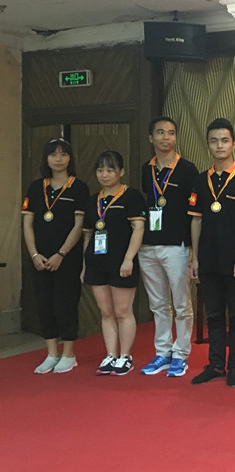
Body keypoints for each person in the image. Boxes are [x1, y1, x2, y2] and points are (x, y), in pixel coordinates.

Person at [189, 118, 235, 387]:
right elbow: (196, 220)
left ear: (234, 144)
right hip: (208, 259)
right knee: (214, 314)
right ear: (208, 145)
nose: (220, 145)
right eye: (214, 141)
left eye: (224, 140)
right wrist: (195, 257)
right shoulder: (200, 180)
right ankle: (216, 364)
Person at [22, 138, 89, 374]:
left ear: (70, 158)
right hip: (39, 258)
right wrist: (34, 254)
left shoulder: (78, 188)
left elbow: (79, 225)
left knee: (66, 304)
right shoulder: (35, 188)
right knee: (44, 305)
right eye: (53, 154)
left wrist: (61, 253)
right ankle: (51, 353)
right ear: (46, 158)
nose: (58, 159)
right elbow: (27, 223)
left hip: (66, 258)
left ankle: (68, 354)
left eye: (63, 154)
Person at [138, 117, 199, 378]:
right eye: (160, 132)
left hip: (177, 245)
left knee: (181, 304)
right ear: (151, 138)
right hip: (148, 246)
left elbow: (194, 212)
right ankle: (162, 352)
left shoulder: (187, 169)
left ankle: (181, 354)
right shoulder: (147, 169)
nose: (166, 137)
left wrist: (193, 250)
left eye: (171, 133)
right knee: (158, 304)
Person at [82, 150, 146, 376]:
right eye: (100, 170)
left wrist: (129, 258)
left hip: (121, 262)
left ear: (121, 172)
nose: (104, 174)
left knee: (122, 311)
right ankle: (111, 354)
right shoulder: (93, 200)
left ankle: (125, 356)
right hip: (96, 263)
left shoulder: (131, 196)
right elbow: (88, 234)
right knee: (106, 312)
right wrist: (84, 264)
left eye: (110, 170)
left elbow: (138, 229)